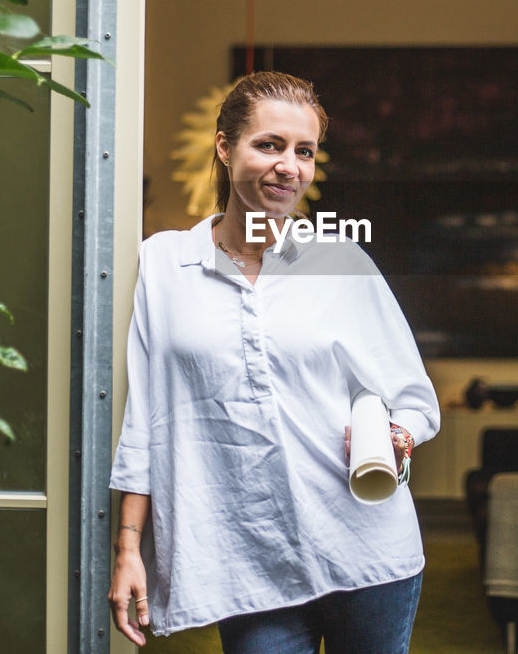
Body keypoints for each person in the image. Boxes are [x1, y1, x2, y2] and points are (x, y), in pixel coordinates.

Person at [107, 71, 440, 654]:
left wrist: (395, 437)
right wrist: (128, 548)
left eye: (304, 151)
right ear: (224, 146)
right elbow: (147, 421)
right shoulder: (165, 263)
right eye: (269, 145)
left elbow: (415, 400)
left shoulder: (342, 263)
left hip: (368, 549)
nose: (290, 166)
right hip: (250, 561)